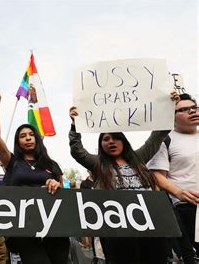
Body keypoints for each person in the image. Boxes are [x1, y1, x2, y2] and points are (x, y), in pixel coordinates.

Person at [68, 92, 178, 263]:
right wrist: (75, 125)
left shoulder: (139, 157)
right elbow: (77, 150)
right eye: (106, 139)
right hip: (118, 230)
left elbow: (158, 136)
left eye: (115, 138)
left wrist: (169, 106)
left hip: (150, 224)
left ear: (123, 141)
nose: (111, 141)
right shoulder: (98, 164)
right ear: (101, 144)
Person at [0, 91, 68, 264]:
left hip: (54, 228)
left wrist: (56, 185)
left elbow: (65, 194)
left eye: (31, 135)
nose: (27, 138)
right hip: (25, 228)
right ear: (18, 142)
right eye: (22, 136)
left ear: (37, 139)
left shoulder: (52, 165)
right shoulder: (12, 162)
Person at [147, 93, 199, 263]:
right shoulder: (166, 140)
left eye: (194, 107)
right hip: (190, 208)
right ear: (172, 117)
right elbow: (157, 175)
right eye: (184, 109)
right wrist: (180, 193)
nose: (192, 111)